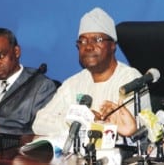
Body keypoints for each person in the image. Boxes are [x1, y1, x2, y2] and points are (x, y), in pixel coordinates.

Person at [32, 7, 152, 145]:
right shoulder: (73, 83)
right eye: (82, 41)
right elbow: (39, 123)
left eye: (97, 39)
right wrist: (79, 120)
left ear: (113, 45)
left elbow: (133, 134)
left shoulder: (131, 80)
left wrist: (91, 124)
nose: (88, 47)